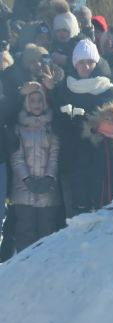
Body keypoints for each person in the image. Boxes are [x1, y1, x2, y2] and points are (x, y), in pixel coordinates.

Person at [5, 84, 62, 253]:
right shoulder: (18, 128)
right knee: (25, 231)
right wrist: (27, 179)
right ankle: (24, 267)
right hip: (23, 189)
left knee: (47, 232)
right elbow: (16, 157)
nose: (36, 104)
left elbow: (55, 155)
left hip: (48, 189)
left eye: (39, 101)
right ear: (26, 103)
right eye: (32, 101)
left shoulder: (52, 128)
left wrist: (50, 177)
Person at [69, 101, 113, 214]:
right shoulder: (90, 143)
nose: (111, 122)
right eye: (107, 119)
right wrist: (81, 199)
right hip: (96, 199)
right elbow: (81, 173)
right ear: (99, 121)